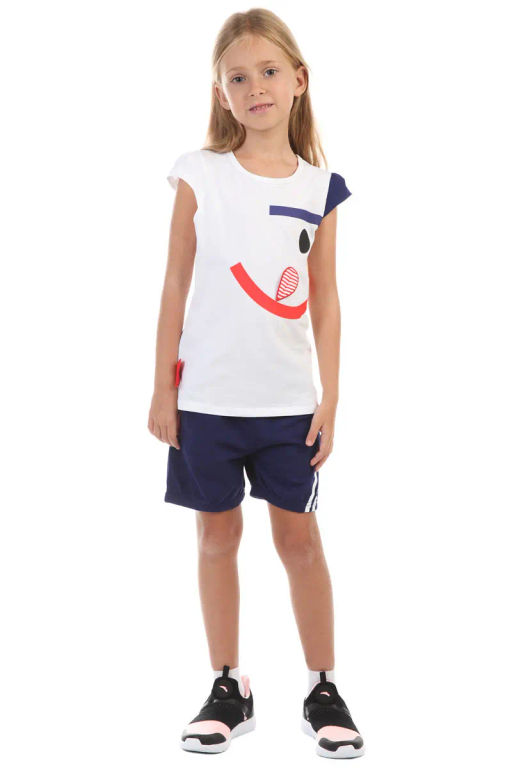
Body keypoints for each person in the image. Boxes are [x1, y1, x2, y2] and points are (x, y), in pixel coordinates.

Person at [148, 8, 364, 759]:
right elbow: (174, 283)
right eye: (238, 77)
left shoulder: (321, 186)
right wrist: (162, 388)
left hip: (287, 407)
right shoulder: (198, 174)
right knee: (216, 537)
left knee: (299, 541)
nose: (255, 87)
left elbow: (326, 299)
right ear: (221, 93)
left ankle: (323, 687)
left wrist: (330, 398)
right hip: (206, 401)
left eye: (269, 71)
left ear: (299, 80)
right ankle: (228, 685)